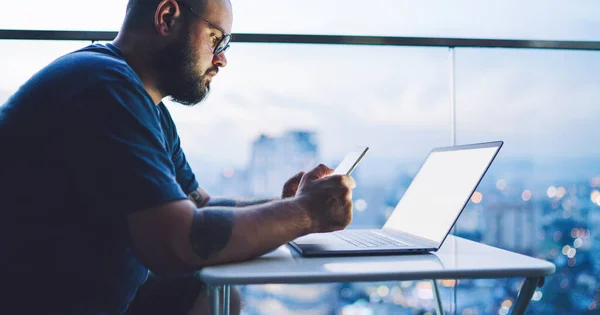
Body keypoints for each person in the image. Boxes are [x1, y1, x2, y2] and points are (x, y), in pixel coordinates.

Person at [0, 0, 356, 314]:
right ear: (167, 17)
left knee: (209, 291)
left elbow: (198, 205)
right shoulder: (103, 87)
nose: (222, 59)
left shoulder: (141, 102)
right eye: (216, 38)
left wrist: (285, 203)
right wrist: (306, 213)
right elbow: (178, 242)